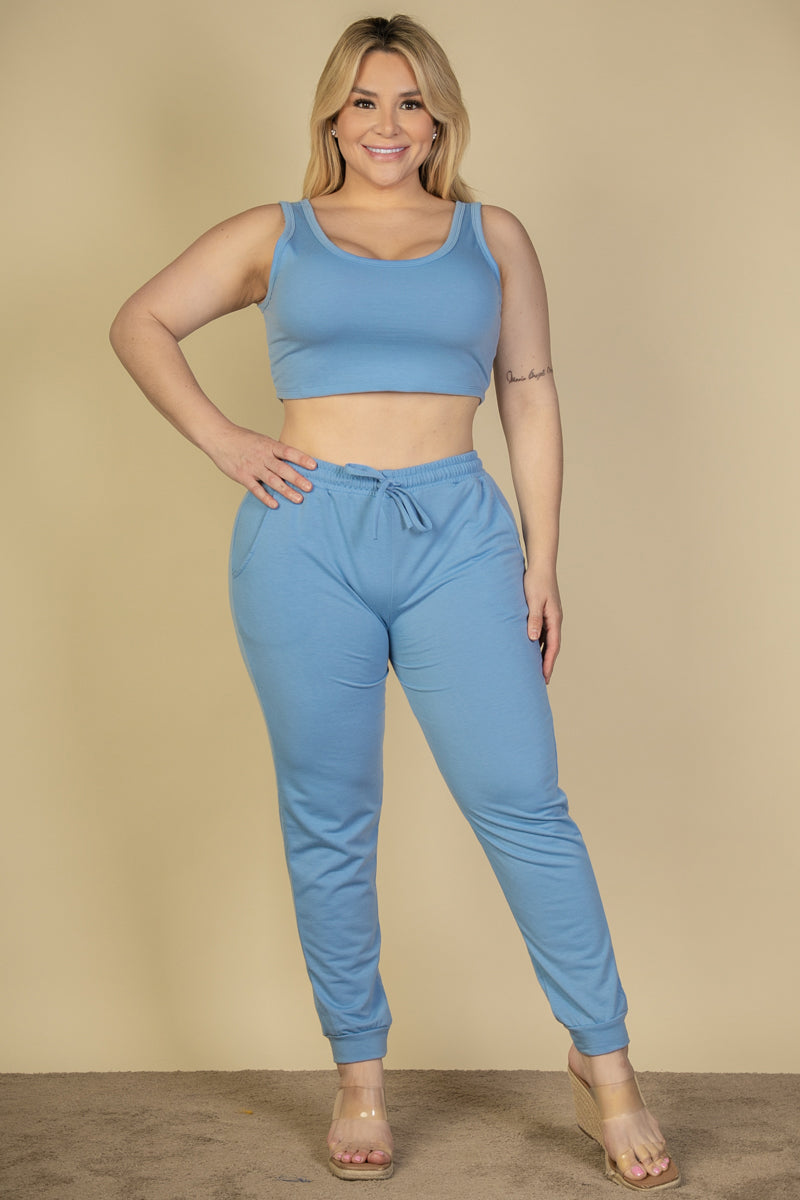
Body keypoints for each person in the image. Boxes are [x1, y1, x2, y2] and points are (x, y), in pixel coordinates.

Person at [110, 13, 679, 1190]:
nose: (387, 123)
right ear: (331, 115)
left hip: (456, 535)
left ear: (439, 118)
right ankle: (358, 1076)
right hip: (302, 535)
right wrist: (223, 440)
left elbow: (528, 390)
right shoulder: (275, 232)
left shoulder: (491, 235)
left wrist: (541, 558)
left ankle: (605, 1066)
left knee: (522, 800)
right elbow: (140, 321)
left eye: (410, 101)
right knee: (329, 811)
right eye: (364, 101)